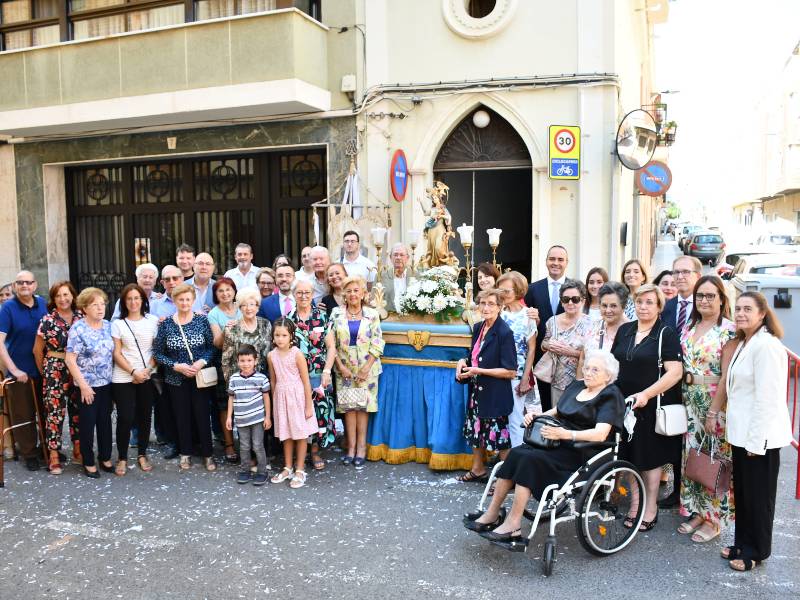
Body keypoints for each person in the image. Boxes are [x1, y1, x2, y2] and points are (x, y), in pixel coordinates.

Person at [465, 349, 624, 543]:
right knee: (516, 454)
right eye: (587, 368)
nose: (588, 372)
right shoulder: (577, 386)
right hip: (555, 441)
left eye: (595, 370)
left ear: (608, 375)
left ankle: (513, 524)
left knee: (530, 460)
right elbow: (558, 410)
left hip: (582, 451)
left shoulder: (610, 395)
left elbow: (600, 434)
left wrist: (567, 434)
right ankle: (492, 513)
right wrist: (538, 416)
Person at [716, 292, 792, 572]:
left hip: (760, 438)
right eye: (738, 309)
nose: (741, 313)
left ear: (762, 314)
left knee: (759, 498)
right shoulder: (746, 342)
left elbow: (767, 398)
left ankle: (756, 551)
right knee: (745, 496)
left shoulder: (767, 346)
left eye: (748, 309)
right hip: (742, 434)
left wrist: (756, 442)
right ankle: (741, 542)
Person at [610, 284, 683, 531]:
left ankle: (649, 508)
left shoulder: (666, 334)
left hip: (652, 404)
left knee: (650, 460)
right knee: (629, 455)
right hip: (625, 403)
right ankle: (635, 504)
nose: (643, 306)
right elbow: (614, 364)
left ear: (659, 306)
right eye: (640, 301)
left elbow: (675, 373)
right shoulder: (625, 330)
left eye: (649, 302)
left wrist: (646, 394)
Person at [677, 275, 735, 543]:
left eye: (711, 295)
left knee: (715, 458)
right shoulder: (691, 326)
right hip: (689, 400)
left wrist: (714, 411)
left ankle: (714, 519)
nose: (704, 300)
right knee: (694, 456)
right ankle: (698, 511)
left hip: (714, 401)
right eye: (700, 295)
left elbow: (726, 376)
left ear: (722, 299)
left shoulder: (729, 330)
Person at [153, 284, 217, 472]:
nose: (184, 303)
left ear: (193, 300)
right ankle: (185, 453)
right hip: (176, 378)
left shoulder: (202, 321)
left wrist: (201, 362)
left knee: (202, 416)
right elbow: (157, 353)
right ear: (174, 300)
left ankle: (207, 454)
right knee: (181, 416)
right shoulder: (166, 324)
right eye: (180, 299)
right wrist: (175, 366)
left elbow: (211, 347)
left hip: (199, 377)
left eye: (188, 299)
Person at [455, 289, 517, 482]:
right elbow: (475, 356)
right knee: (476, 430)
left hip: (495, 394)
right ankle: (478, 469)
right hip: (477, 391)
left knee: (500, 438)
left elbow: (510, 371)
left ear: (500, 307)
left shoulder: (504, 332)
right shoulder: (479, 326)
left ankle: (506, 480)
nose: (486, 307)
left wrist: (479, 371)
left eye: (491, 303)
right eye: (482, 303)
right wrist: (462, 362)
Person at [327, 276, 384, 468]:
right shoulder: (336, 313)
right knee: (349, 409)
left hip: (367, 368)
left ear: (363, 293)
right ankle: (350, 448)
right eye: (349, 291)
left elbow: (378, 342)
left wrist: (366, 368)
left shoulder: (372, 314)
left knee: (362, 409)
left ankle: (361, 448)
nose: (352, 294)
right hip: (344, 368)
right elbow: (330, 343)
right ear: (344, 294)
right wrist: (340, 367)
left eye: (356, 290)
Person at [658, 255, 702, 508]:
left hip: (700, 385)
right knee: (675, 437)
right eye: (676, 272)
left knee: (699, 443)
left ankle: (700, 494)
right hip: (671, 383)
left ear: (697, 274)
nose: (680, 276)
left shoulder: (707, 304)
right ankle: (678, 491)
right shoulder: (667, 306)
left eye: (685, 271)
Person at [0, 270, 48, 470]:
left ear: (35, 285)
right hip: (20, 371)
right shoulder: (7, 308)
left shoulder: (42, 303)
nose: (24, 286)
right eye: (20, 283)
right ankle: (29, 452)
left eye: (28, 282)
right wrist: (13, 369)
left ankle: (48, 449)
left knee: (46, 412)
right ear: (15, 286)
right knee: (24, 413)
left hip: (43, 369)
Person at [65, 288, 115, 478]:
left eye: (102, 304)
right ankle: (88, 460)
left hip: (107, 383)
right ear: (85, 308)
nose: (100, 308)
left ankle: (105, 457)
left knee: (105, 422)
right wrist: (84, 386)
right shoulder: (78, 329)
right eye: (95, 305)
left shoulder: (109, 326)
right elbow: (70, 360)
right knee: (87, 424)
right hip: (87, 385)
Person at [33, 281, 82, 474]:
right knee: (54, 412)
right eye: (59, 296)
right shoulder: (47, 320)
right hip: (55, 369)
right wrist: (45, 372)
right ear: (53, 299)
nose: (63, 299)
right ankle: (53, 454)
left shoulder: (81, 317)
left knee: (78, 408)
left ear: (72, 296)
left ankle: (78, 449)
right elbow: (37, 350)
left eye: (66, 295)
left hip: (77, 369)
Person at [111, 283, 159, 475]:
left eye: (137, 298)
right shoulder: (118, 324)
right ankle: (122, 457)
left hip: (147, 375)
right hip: (123, 377)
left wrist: (146, 371)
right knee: (125, 417)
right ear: (124, 302)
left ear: (143, 300)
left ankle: (142, 453)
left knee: (145, 416)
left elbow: (156, 350)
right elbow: (117, 353)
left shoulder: (153, 321)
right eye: (129, 299)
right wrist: (133, 372)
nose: (133, 302)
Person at [221, 288, 272, 466]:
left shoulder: (266, 325)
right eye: (244, 305)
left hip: (261, 381)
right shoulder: (232, 328)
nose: (249, 308)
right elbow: (226, 358)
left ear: (258, 306)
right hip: (241, 383)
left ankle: (262, 457)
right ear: (239, 307)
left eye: (252, 304)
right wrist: (231, 385)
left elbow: (270, 353)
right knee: (245, 420)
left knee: (261, 417)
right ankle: (248, 457)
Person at [290, 279, 336, 470]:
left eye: (307, 293)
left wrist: (327, 371)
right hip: (296, 376)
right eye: (299, 293)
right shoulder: (288, 319)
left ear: (312, 295)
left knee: (320, 412)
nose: (303, 296)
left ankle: (315, 450)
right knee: (299, 412)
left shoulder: (322, 317)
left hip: (319, 373)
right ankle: (299, 451)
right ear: (294, 295)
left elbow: (331, 346)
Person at [268, 318, 317, 489]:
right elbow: (273, 381)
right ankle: (287, 467)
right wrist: (274, 403)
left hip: (297, 397)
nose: (280, 339)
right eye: (277, 335)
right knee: (286, 433)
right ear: (273, 337)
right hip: (281, 397)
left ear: (291, 336)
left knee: (300, 434)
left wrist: (308, 405)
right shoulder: (271, 355)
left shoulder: (297, 354)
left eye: (284, 335)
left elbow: (306, 381)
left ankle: (300, 469)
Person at [524, 245, 568, 412]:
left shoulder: (574, 288)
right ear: (546, 262)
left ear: (566, 263)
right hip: (542, 357)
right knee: (546, 403)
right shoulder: (533, 288)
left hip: (568, 358)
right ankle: (547, 435)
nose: (556, 263)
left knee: (567, 403)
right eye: (552, 259)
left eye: (560, 259)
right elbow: (525, 321)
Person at [496, 271, 537, 447]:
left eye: (507, 291)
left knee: (516, 420)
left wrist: (526, 378)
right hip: (495, 373)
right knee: (498, 420)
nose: (502, 294)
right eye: (500, 290)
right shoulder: (496, 313)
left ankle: (515, 464)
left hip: (517, 374)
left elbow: (532, 348)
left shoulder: (528, 315)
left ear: (518, 291)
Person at [539, 279, 592, 406]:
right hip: (557, 381)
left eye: (575, 299)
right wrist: (548, 345)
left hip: (583, 381)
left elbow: (594, 355)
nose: (570, 302)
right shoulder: (552, 321)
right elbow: (543, 344)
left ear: (583, 300)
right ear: (561, 302)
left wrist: (570, 352)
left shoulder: (592, 324)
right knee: (557, 417)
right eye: (565, 299)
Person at [226, 344, 271, 486]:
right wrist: (229, 417)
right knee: (244, 446)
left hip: (258, 418)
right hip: (241, 418)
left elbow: (266, 398)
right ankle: (245, 470)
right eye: (242, 361)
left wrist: (268, 416)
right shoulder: (234, 379)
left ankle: (262, 471)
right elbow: (231, 398)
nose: (246, 364)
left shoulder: (261, 378)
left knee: (258, 445)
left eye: (249, 360)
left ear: (255, 361)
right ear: (238, 361)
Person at [207, 277, 241, 460]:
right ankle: (229, 444)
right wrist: (226, 329)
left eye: (228, 289)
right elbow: (217, 343)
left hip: (246, 364)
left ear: (234, 291)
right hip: (225, 364)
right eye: (220, 291)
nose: (225, 293)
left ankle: (246, 444)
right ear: (216, 295)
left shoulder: (242, 308)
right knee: (224, 406)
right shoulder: (213, 314)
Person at [577, 282, 629, 378]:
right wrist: (578, 386)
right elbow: (583, 359)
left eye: (613, 306)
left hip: (618, 390)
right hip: (591, 388)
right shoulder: (593, 327)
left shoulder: (632, 332)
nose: (608, 310)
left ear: (623, 306)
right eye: (604, 305)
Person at [381, 243, 414, 313]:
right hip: (388, 319)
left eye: (401, 255)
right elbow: (374, 300)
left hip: (411, 319)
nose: (398, 257)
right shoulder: (381, 276)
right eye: (395, 255)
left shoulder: (416, 275)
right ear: (390, 257)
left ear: (407, 258)